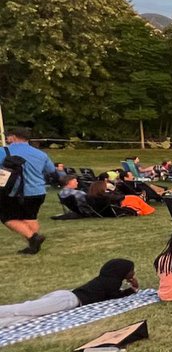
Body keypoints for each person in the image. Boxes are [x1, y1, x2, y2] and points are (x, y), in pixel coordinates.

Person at [0, 259, 139, 328]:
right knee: (25, 309)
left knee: (30, 317)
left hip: (66, 299)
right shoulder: (111, 283)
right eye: (131, 270)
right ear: (121, 272)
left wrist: (130, 289)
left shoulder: (107, 280)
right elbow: (113, 296)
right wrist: (132, 289)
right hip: (67, 300)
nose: (133, 273)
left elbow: (111, 294)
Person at [0, 126, 56, 254]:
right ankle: (33, 246)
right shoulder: (41, 154)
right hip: (38, 191)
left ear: (13, 137)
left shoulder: (3, 151)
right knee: (30, 217)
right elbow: (51, 170)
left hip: (14, 192)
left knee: (6, 217)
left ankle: (33, 238)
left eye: (8, 136)